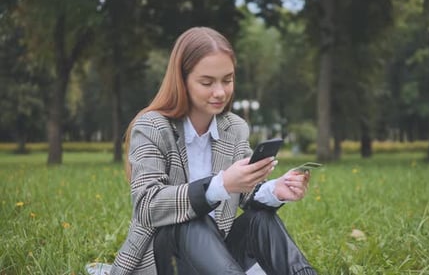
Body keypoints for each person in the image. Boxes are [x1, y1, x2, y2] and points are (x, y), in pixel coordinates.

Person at [110, 26, 317, 275]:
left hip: (217, 257)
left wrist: (275, 189)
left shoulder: (235, 128)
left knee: (262, 220)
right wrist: (221, 185)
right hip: (166, 259)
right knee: (192, 219)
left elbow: (244, 195)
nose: (220, 92)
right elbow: (146, 206)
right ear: (182, 81)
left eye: (227, 80)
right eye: (207, 82)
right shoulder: (152, 127)